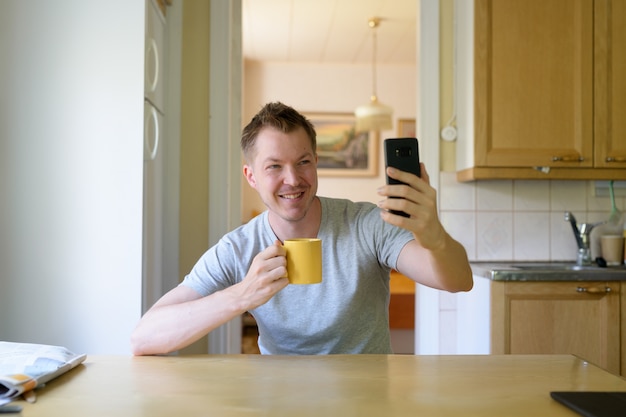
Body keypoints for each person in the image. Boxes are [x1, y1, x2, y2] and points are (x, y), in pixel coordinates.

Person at [131, 102, 473, 355]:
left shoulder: (366, 224)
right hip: (279, 403)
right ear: (251, 176)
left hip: (366, 402)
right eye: (274, 166)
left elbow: (459, 281)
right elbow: (143, 338)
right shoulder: (238, 248)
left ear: (316, 161)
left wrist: (434, 236)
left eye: (303, 162)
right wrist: (241, 295)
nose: (292, 180)